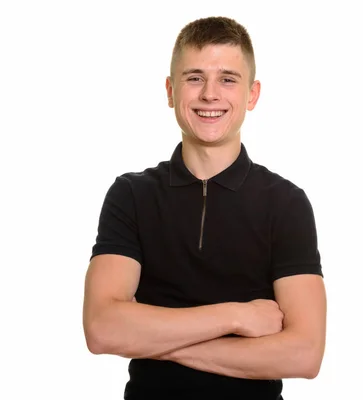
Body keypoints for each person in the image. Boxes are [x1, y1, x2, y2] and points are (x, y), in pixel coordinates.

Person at [82, 16, 326, 400]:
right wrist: (237, 316)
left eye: (228, 79)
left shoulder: (286, 203)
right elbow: (101, 329)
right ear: (170, 90)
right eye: (194, 77)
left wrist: (156, 342)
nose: (210, 94)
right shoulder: (131, 194)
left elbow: (304, 354)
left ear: (252, 94)